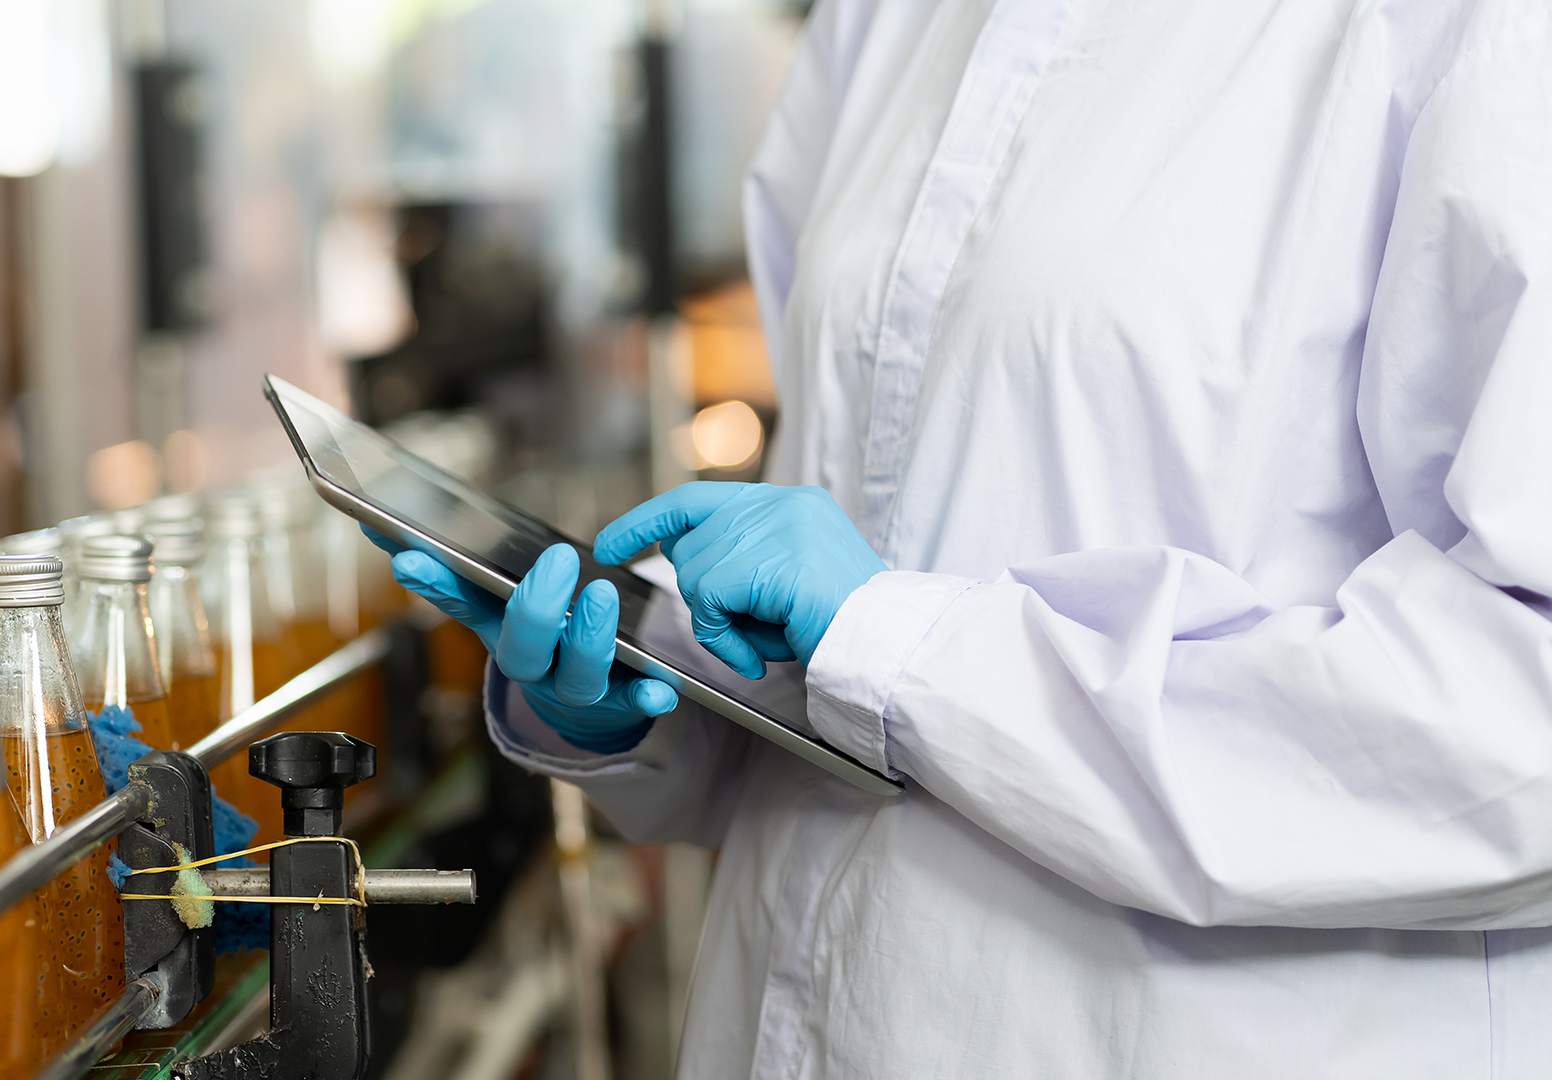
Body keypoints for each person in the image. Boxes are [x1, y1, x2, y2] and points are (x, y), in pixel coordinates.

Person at [367, 0, 1552, 1076]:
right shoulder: (886, 20)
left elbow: (1522, 733)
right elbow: (854, 593)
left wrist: (902, 647)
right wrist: (654, 690)